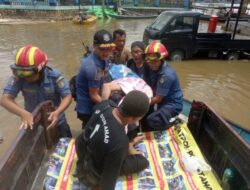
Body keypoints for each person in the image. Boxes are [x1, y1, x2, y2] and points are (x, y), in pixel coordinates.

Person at [75, 90, 150, 190]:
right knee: (143, 162)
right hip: (93, 170)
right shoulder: (120, 142)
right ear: (136, 118)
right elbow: (107, 183)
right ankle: (130, 145)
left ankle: (130, 144)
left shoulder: (105, 104)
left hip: (84, 151)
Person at [0, 45, 72, 137]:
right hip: (32, 121)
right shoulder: (19, 77)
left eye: (28, 73)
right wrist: (22, 113)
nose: (25, 76)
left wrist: (57, 112)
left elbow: (67, 96)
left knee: (68, 146)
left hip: (56, 120)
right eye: (21, 72)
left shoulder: (54, 76)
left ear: (40, 69)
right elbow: (5, 100)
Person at [76, 29, 115, 128]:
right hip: (87, 109)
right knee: (91, 134)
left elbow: (103, 76)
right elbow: (93, 95)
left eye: (109, 48)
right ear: (94, 46)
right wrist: (110, 108)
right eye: (102, 49)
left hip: (95, 97)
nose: (106, 52)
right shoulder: (92, 67)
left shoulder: (103, 59)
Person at [142, 41, 183, 131]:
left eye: (155, 61)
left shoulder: (166, 75)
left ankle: (172, 125)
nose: (152, 64)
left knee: (152, 120)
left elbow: (157, 99)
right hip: (162, 102)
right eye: (150, 61)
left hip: (172, 104)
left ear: (162, 59)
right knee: (146, 114)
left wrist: (141, 103)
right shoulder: (151, 68)